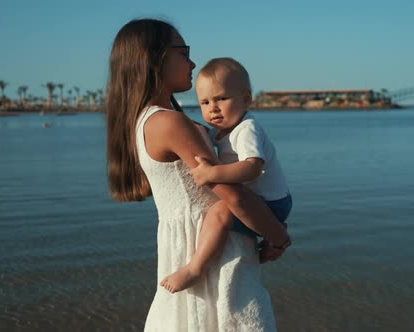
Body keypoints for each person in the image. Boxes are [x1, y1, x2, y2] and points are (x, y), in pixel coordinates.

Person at [105, 19, 291, 331]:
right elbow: (232, 195)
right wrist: (278, 237)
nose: (192, 62)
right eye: (184, 52)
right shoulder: (170, 123)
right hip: (214, 253)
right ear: (155, 58)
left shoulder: (145, 121)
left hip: (192, 245)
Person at [160, 58, 292, 294]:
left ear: (246, 99)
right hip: (264, 198)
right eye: (205, 102)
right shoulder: (221, 132)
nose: (213, 108)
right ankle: (270, 241)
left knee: (219, 212)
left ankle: (195, 269)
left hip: (272, 202)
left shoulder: (246, 129)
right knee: (224, 210)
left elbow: (252, 167)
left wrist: (212, 173)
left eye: (221, 98)